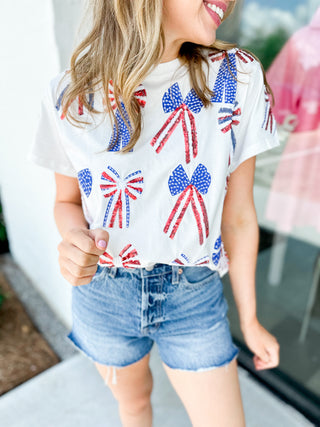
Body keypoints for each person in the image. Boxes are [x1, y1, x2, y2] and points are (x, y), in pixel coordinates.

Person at [28, 1, 280, 425]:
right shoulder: (70, 95)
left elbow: (238, 216)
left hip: (194, 294)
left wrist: (250, 319)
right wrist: (75, 241)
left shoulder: (238, 78)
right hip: (104, 295)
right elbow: (66, 203)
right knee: (135, 405)